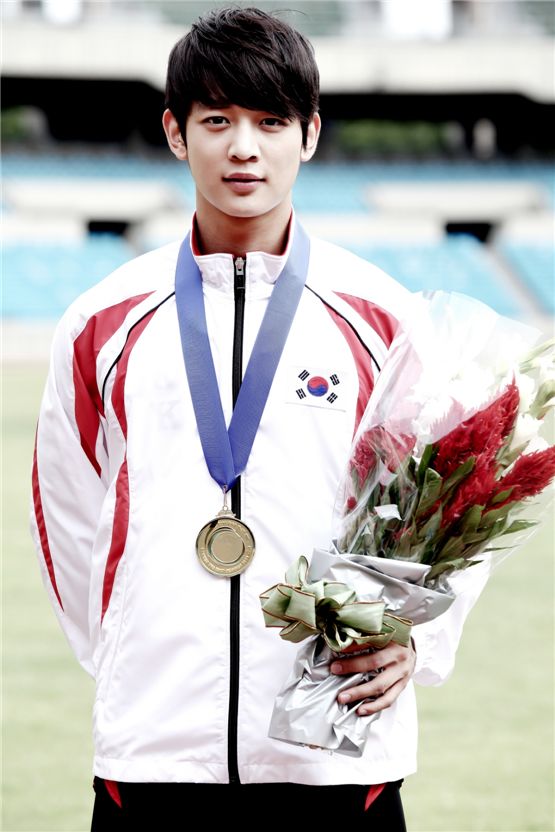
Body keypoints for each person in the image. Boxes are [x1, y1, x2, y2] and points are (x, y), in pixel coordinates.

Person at [31, 8, 488, 829]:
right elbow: (65, 512)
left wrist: (414, 640)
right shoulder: (104, 319)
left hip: (335, 744)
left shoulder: (381, 316)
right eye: (217, 120)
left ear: (308, 135)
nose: (243, 147)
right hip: (158, 749)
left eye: (270, 120)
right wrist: (133, 651)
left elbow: (454, 505)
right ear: (176, 133)